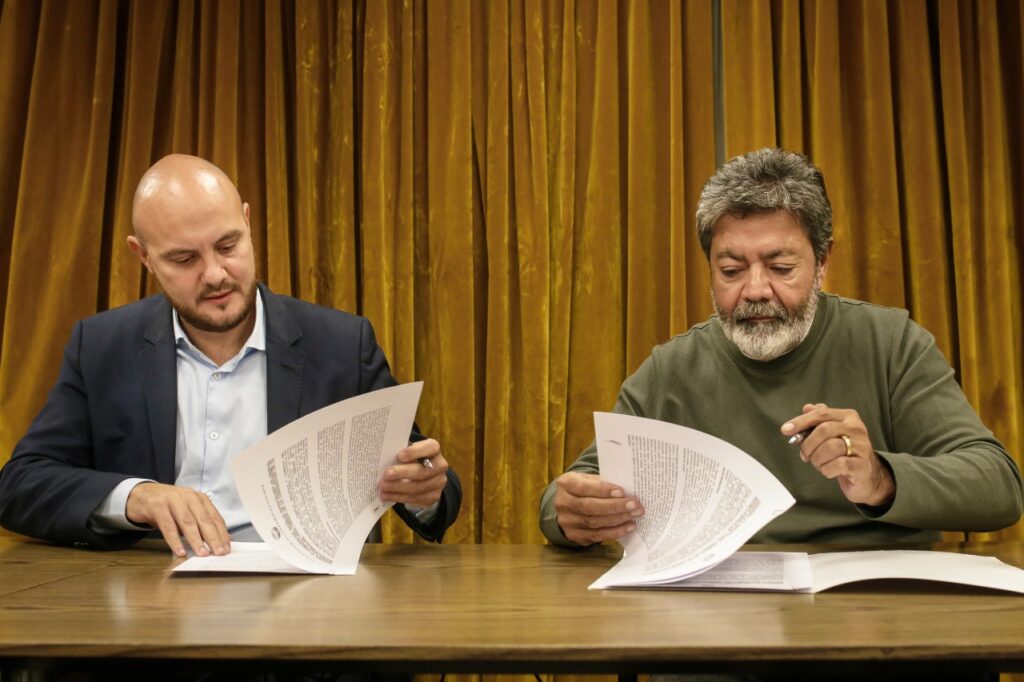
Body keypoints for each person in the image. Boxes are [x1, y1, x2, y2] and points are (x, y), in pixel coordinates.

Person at [540, 147, 1022, 549]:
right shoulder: (673, 369)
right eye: (731, 271)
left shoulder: (890, 344)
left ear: (822, 262)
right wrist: (569, 514)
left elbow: (998, 486)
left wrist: (880, 478)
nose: (754, 290)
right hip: (729, 612)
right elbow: (569, 494)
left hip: (875, 607)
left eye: (780, 268)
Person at [0, 154, 461, 557]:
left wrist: (424, 489)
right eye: (184, 260)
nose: (215, 274)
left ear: (247, 222)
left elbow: (426, 482)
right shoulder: (102, 346)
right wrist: (137, 497)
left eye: (227, 246)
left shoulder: (342, 344)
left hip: (307, 607)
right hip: (152, 605)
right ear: (144, 257)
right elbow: (19, 485)